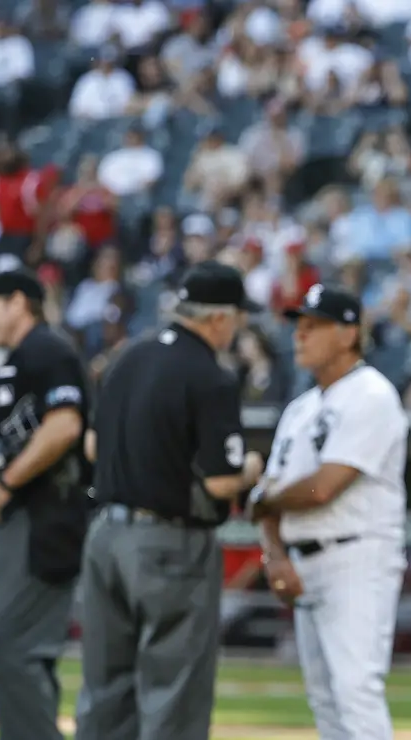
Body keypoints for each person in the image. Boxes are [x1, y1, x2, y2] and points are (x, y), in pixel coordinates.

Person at [73, 261, 265, 740]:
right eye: (238, 317)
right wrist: (252, 469)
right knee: (173, 694)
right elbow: (222, 483)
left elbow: (92, 446)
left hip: (104, 537)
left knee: (103, 690)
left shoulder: (126, 356)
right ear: (219, 317)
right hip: (168, 542)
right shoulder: (210, 375)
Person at [249, 283, 409, 740]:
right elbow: (271, 497)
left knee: (355, 690)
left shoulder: (371, 395)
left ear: (348, 334)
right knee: (324, 697)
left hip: (357, 556)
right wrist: (275, 556)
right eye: (299, 327)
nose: (300, 336)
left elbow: (322, 488)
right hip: (301, 558)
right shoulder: (300, 408)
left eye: (314, 327)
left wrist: (264, 497)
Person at [0, 267, 91, 740]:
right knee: (18, 647)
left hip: (45, 518)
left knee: (13, 645)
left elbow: (65, 426)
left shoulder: (47, 350)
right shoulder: (21, 357)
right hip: (30, 517)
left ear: (18, 301)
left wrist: (6, 485)